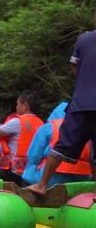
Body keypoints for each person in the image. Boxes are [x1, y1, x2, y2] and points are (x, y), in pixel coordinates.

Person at [28, 12, 96, 195]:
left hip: (82, 102)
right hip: (85, 101)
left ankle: (42, 185)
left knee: (62, 145)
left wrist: (85, 79)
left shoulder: (84, 39)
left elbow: (74, 67)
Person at [23, 102, 91, 186]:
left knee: (30, 170)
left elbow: (33, 158)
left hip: (48, 179)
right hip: (81, 181)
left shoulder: (48, 127)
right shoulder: (88, 131)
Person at [0, 90, 44, 185]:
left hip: (15, 174)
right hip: (33, 174)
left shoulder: (17, 122)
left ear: (25, 106)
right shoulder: (41, 123)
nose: (16, 107)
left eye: (18, 104)